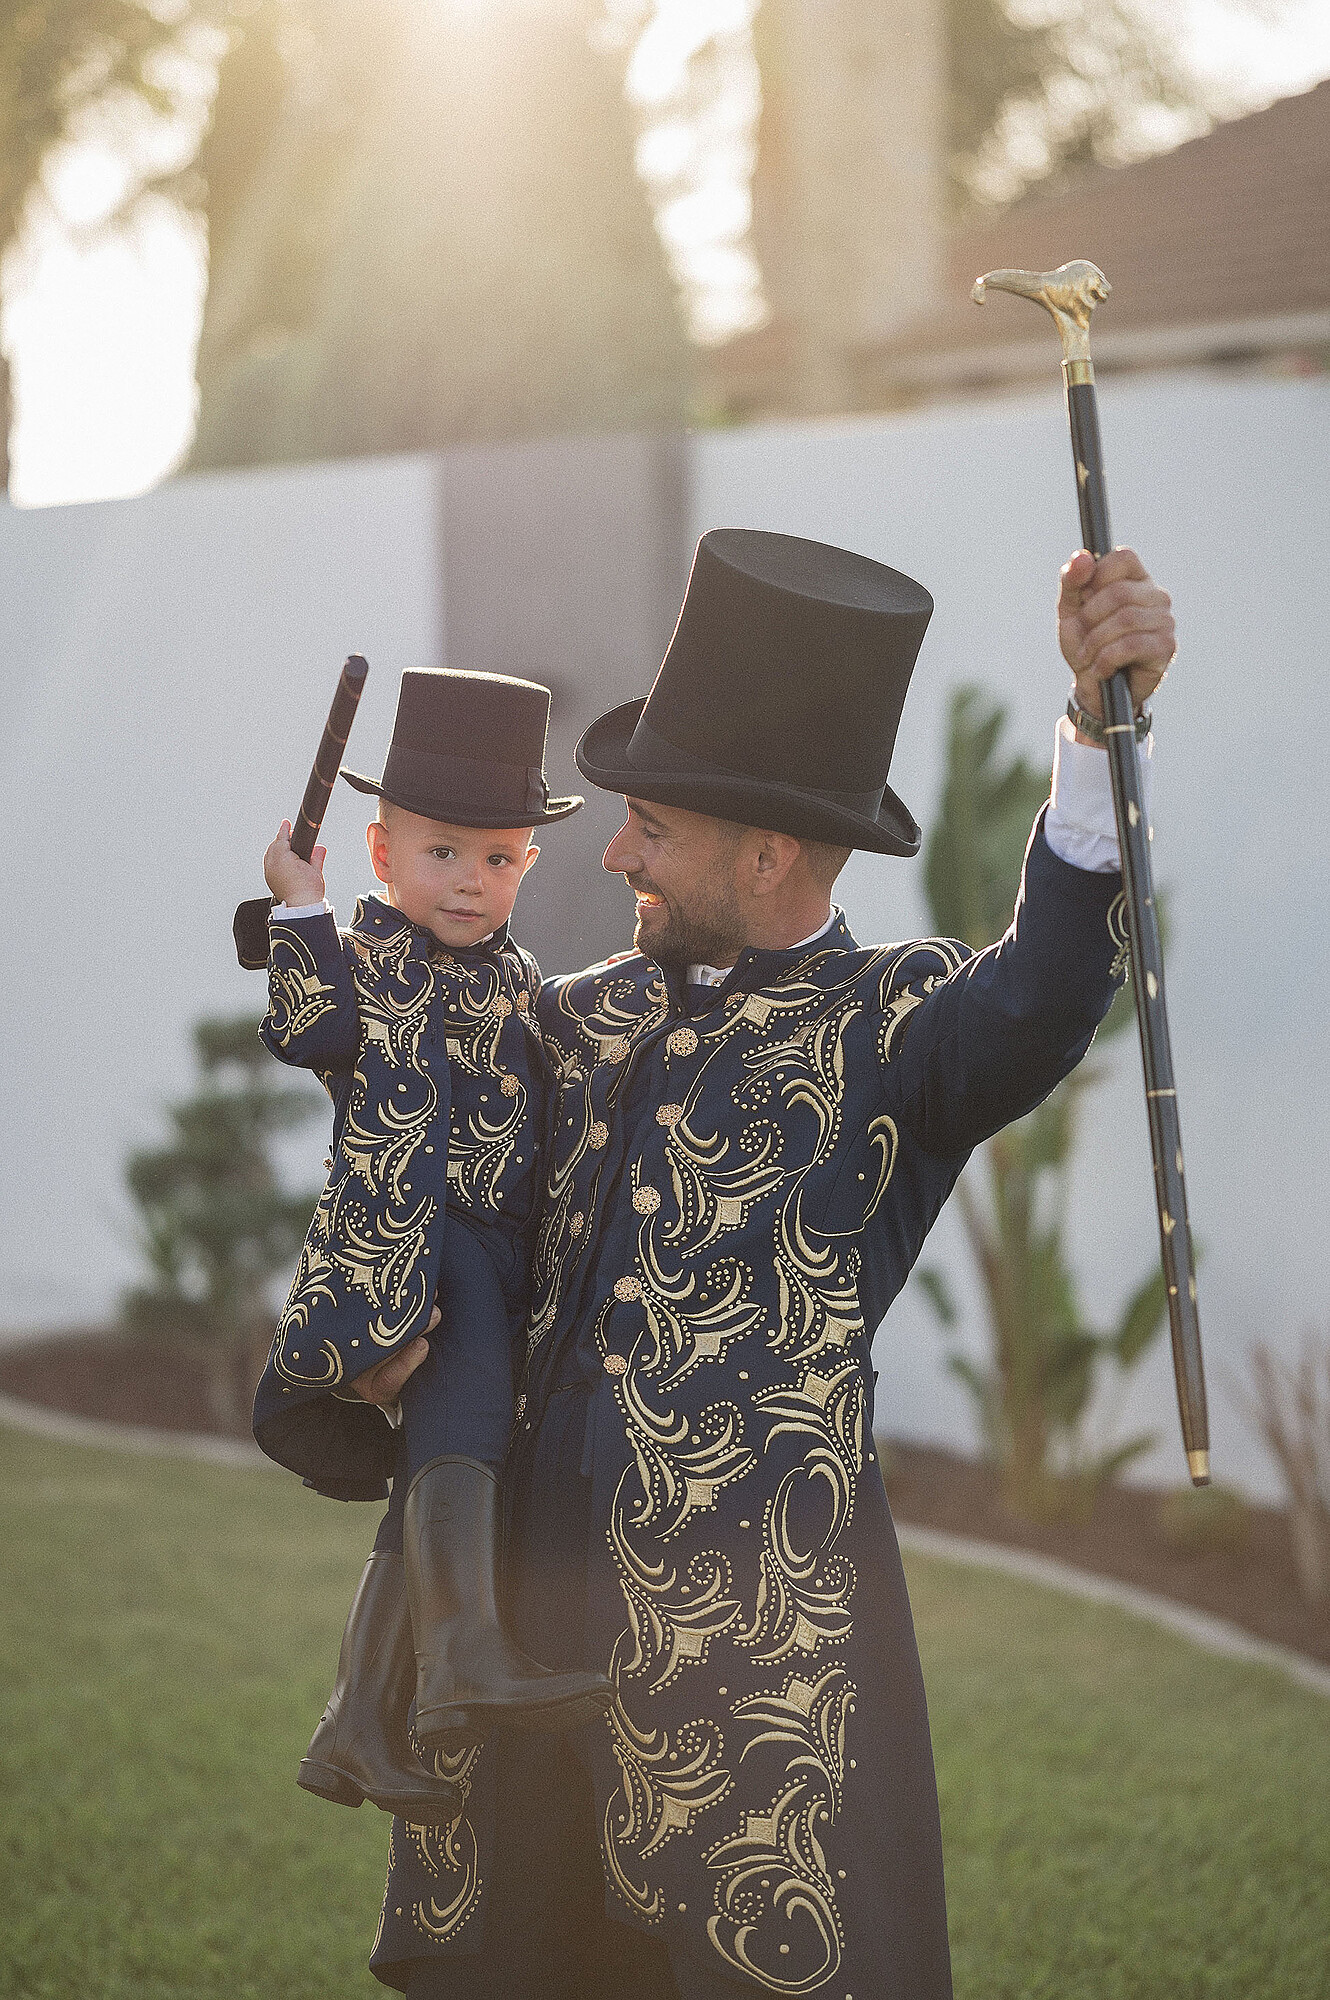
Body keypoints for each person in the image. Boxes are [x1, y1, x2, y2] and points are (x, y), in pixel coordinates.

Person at [356, 530, 1176, 1999]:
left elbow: (1047, 992)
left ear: (766, 851)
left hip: (757, 1664)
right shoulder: (565, 1018)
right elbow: (452, 1205)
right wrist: (390, 1318)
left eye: (648, 826)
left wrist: (1097, 723)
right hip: (526, 1627)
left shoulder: (895, 1027)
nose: (611, 854)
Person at [252, 666, 613, 1828]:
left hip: (501, 1245)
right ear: (381, 850)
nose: (471, 880)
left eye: (499, 858)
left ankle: (358, 1718)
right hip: (421, 1236)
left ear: (530, 865)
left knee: (437, 1464)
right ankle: (463, 1653)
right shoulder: (370, 959)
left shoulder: (517, 979)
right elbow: (305, 1026)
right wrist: (297, 905)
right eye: (445, 853)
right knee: (456, 1431)